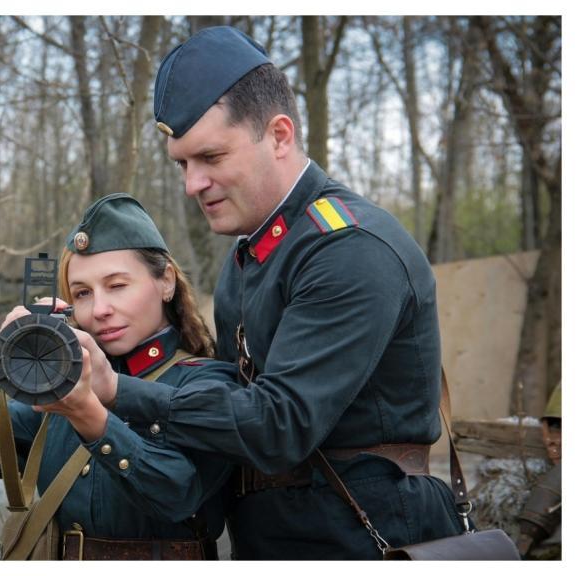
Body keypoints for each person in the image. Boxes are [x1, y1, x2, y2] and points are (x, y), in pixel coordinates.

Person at [71, 26, 467, 559]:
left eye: (211, 157)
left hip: (363, 535)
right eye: (183, 164)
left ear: (280, 136)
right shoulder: (252, 254)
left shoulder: (348, 247)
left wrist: (118, 391)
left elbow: (280, 425)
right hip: (278, 535)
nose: (191, 184)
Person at [0, 193, 239, 560]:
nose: (99, 309)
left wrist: (88, 416)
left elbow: (178, 494)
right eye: (82, 293)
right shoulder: (67, 387)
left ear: (166, 282)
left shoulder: (209, 383)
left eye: (117, 285)